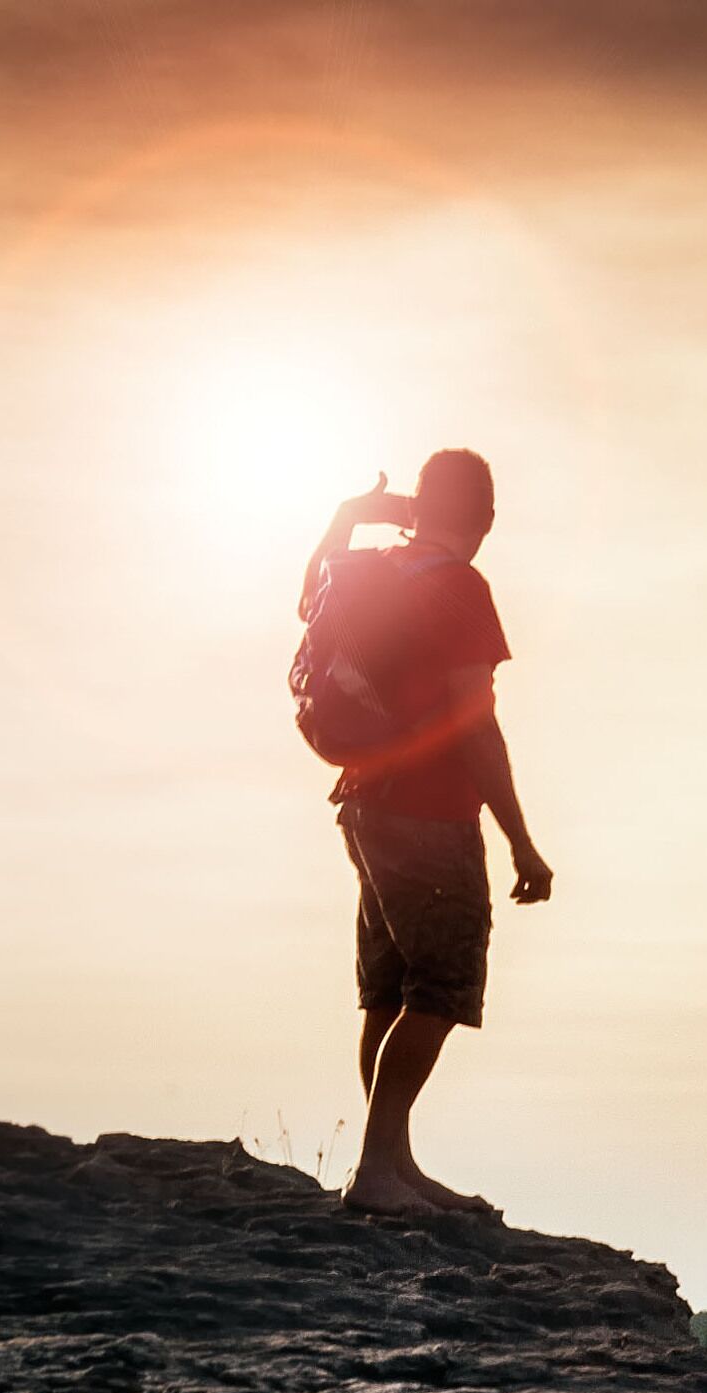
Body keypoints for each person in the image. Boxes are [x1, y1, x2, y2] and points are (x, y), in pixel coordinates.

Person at [298, 449, 551, 1215]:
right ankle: (377, 1174)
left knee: (388, 989)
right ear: (487, 518)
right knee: (438, 988)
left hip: (366, 807)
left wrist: (349, 516)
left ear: (416, 504)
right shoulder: (459, 586)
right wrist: (521, 840)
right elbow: (478, 728)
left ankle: (392, 1161)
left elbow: (307, 598)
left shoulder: (366, 570)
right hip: (430, 815)